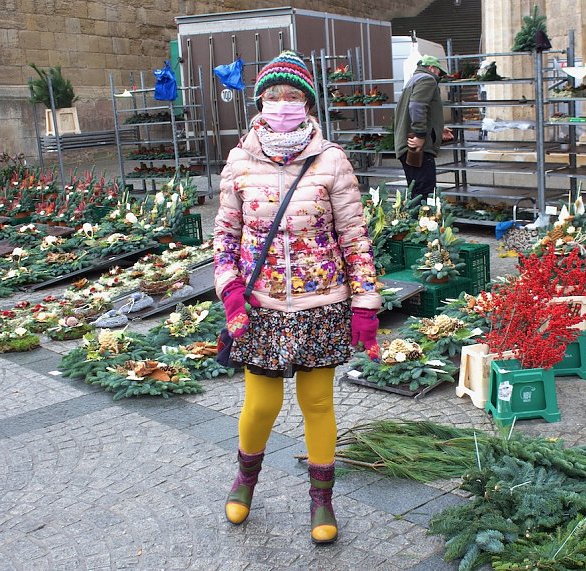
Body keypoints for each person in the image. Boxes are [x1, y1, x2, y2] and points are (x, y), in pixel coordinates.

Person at [213, 50, 381, 545]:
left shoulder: (331, 160)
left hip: (321, 302)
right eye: (273, 96)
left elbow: (354, 236)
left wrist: (365, 302)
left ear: (307, 103)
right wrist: (231, 290)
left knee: (317, 401)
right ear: (260, 102)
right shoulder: (239, 160)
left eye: (292, 96)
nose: (282, 104)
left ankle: (321, 499)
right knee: (261, 404)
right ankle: (245, 479)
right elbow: (224, 236)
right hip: (260, 305)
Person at [393, 54, 454, 199]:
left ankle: (415, 221)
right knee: (424, 193)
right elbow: (417, 107)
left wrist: (438, 129)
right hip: (418, 148)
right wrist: (420, 136)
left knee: (416, 190)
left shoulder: (412, 81)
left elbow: (406, 110)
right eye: (439, 72)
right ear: (432, 68)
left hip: (407, 145)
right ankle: (421, 222)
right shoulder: (428, 79)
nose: (439, 76)